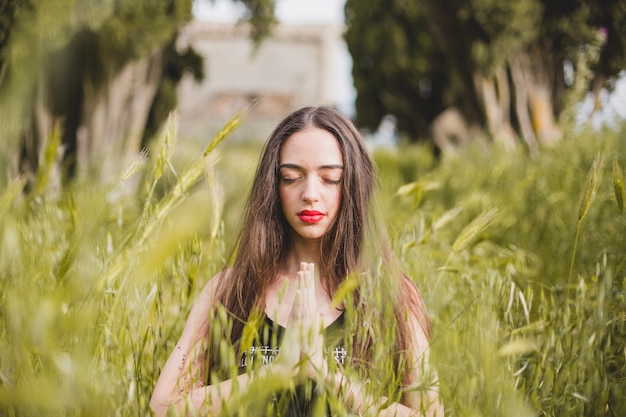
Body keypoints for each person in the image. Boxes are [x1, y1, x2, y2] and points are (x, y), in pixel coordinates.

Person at [150, 106, 444, 416]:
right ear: (273, 187)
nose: (310, 194)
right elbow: (163, 406)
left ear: (354, 185)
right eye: (291, 178)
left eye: (330, 179)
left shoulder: (392, 295)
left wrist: (330, 377)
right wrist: (274, 373)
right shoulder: (228, 290)